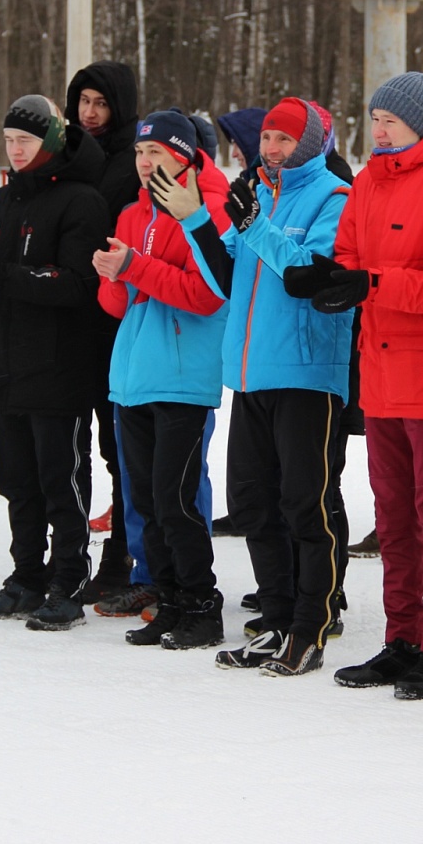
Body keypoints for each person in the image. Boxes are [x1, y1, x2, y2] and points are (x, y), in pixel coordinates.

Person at [305, 72, 423, 700]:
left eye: (391, 120)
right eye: (374, 118)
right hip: (380, 375)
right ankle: (401, 639)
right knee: (392, 517)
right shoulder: (371, 180)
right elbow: (350, 257)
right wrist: (327, 281)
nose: (379, 130)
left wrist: (371, 284)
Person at [168, 96, 352, 675]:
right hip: (249, 375)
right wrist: (199, 220)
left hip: (306, 374)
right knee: (254, 504)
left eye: (283, 141)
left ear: (309, 143)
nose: (270, 150)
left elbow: (307, 275)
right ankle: (274, 621)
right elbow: (223, 278)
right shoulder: (257, 194)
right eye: (266, 139)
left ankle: (310, 627)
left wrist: (253, 224)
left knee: (306, 503)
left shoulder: (334, 197)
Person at [0, 95, 108, 631]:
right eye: (10, 140)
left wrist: (1, 279)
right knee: (16, 480)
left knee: (59, 478)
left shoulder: (80, 201)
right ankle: (25, 577)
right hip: (2, 364)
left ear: (52, 144)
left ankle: (67, 580)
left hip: (58, 367)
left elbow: (78, 285)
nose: (16, 150)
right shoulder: (0, 202)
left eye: (27, 141)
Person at [97, 108, 231, 651]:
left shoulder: (212, 210)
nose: (144, 161)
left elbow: (206, 295)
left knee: (177, 502)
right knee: (147, 501)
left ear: (183, 157)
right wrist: (112, 274)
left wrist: (132, 270)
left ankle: (202, 603)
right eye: (138, 152)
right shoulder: (134, 213)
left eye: (155, 152)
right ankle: (170, 598)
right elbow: (118, 304)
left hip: (182, 374)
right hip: (133, 374)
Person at [65, 61, 141, 600]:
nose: (89, 114)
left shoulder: (130, 162)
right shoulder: (66, 153)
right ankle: (69, 555)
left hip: (115, 317)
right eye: (82, 103)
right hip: (70, 315)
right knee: (73, 443)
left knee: (120, 446)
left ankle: (122, 556)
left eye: (100, 104)